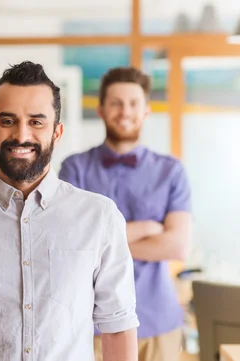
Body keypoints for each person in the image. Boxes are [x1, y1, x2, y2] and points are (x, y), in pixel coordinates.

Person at [0, 61, 139, 361]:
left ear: (57, 132)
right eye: (7, 121)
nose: (21, 135)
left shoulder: (100, 217)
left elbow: (118, 324)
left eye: (36, 122)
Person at [59, 66, 192, 361]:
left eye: (133, 103)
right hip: (90, 324)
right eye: (116, 103)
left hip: (158, 323)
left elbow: (178, 246)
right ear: (102, 110)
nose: (125, 111)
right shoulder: (74, 168)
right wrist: (147, 228)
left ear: (146, 111)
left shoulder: (171, 171)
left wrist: (103, 246)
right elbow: (70, 245)